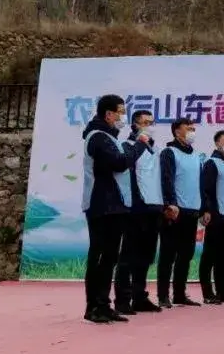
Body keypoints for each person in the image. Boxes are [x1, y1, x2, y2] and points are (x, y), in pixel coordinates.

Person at [81, 94, 149, 323]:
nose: (123, 116)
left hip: (115, 205)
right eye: (120, 112)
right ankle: (93, 307)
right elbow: (119, 163)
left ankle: (104, 304)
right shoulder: (98, 137)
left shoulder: (110, 137)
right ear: (108, 114)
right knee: (100, 256)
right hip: (101, 204)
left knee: (109, 258)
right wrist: (139, 144)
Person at [113, 109, 163, 316]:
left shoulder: (155, 149)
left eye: (152, 122)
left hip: (154, 207)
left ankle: (139, 297)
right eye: (145, 122)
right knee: (128, 256)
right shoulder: (128, 146)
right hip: (135, 208)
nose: (150, 126)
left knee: (146, 256)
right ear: (135, 125)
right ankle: (122, 300)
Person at [156, 117, 204, 308]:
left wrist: (203, 209)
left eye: (193, 128)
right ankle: (162, 295)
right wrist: (170, 204)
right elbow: (166, 180)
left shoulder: (196, 156)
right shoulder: (169, 152)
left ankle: (179, 294)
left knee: (186, 254)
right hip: (174, 211)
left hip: (192, 211)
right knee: (168, 254)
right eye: (188, 128)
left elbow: (200, 185)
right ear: (177, 132)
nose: (192, 132)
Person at [198, 130, 224, 304]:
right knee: (210, 256)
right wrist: (206, 210)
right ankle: (208, 293)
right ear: (217, 144)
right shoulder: (212, 163)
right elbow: (206, 189)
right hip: (216, 216)